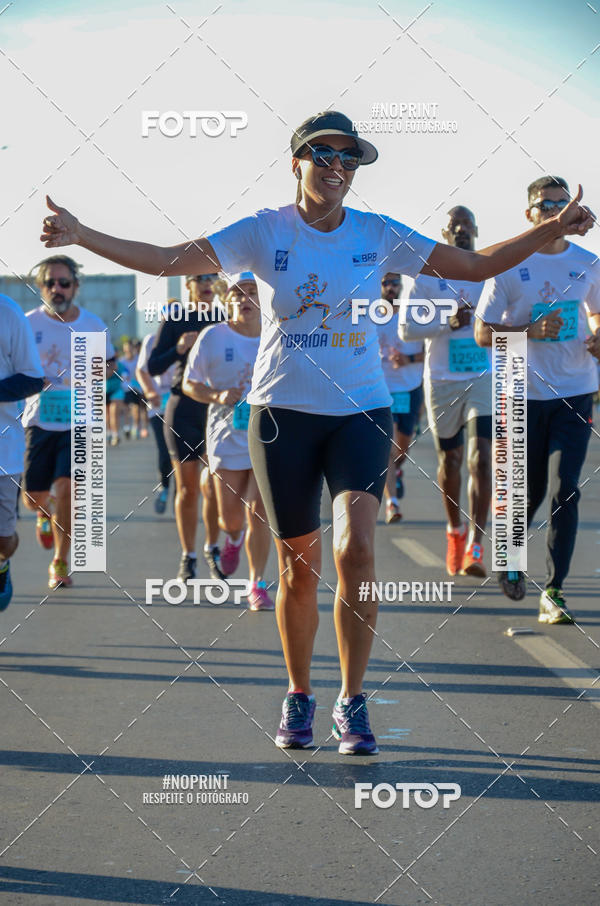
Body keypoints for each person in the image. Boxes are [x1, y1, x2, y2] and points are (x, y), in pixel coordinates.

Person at [39, 110, 594, 754]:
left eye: (349, 158)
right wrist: (80, 234)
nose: (337, 167)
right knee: (299, 568)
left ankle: (353, 701)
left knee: (356, 551)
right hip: (283, 415)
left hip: (361, 409)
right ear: (296, 162)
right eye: (324, 155)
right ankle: (300, 693)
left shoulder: (377, 232)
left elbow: (469, 266)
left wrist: (550, 229)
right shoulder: (263, 230)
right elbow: (166, 259)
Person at [475, 175, 600, 623]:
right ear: (529, 215)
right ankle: (510, 557)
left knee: (565, 488)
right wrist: (529, 332)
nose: (553, 212)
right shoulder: (508, 268)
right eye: (545, 206)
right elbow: (482, 333)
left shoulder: (588, 262)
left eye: (560, 205)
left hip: (575, 390)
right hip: (520, 392)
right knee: (524, 491)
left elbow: (598, 314)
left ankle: (554, 589)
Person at [401, 206, 491, 577]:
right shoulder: (427, 276)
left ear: (476, 230)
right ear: (445, 232)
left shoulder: (489, 272)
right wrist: (446, 322)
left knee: (481, 459)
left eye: (467, 226)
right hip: (441, 378)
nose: (462, 232)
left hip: (485, 373)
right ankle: (454, 530)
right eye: (455, 227)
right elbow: (406, 330)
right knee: (451, 462)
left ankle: (475, 544)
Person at [21, 255, 116, 589]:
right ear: (41, 287)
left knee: (69, 490)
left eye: (64, 283)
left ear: (76, 286)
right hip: (39, 420)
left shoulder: (92, 325)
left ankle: (60, 562)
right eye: (50, 283)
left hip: (80, 420)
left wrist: (92, 373)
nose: (57, 289)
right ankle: (43, 515)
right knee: (33, 497)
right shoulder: (28, 324)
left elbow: (109, 366)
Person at [183, 273, 275, 610]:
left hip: (269, 435)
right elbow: (190, 384)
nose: (244, 299)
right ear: (227, 300)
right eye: (237, 293)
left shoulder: (275, 336)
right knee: (231, 518)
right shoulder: (212, 338)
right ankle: (232, 538)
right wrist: (218, 394)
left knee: (259, 513)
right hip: (226, 436)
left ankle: (257, 582)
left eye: (252, 292)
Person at [148, 279, 222, 581]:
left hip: (217, 407)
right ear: (189, 283)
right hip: (182, 408)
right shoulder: (176, 318)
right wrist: (179, 349)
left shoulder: (225, 317)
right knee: (188, 488)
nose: (208, 284)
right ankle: (188, 555)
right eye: (201, 278)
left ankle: (213, 548)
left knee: (215, 484)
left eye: (212, 277)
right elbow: (153, 366)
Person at [0, 294, 45, 610]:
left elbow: (32, 378)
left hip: (3, 450)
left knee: (3, 541)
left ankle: (2, 562)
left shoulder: (8, 313)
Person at [376, 272, 424, 524]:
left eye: (395, 283)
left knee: (402, 447)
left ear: (402, 286)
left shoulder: (414, 315)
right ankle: (392, 504)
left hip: (410, 388)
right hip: (382, 391)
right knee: (388, 448)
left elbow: (433, 351)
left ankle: (398, 469)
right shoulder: (370, 316)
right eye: (386, 283)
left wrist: (409, 360)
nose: (391, 287)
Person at [136, 326, 176, 514]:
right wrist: (150, 391)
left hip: (181, 403)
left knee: (184, 452)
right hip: (159, 403)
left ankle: (181, 494)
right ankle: (165, 486)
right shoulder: (151, 340)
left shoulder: (189, 337)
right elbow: (141, 370)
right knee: (165, 449)